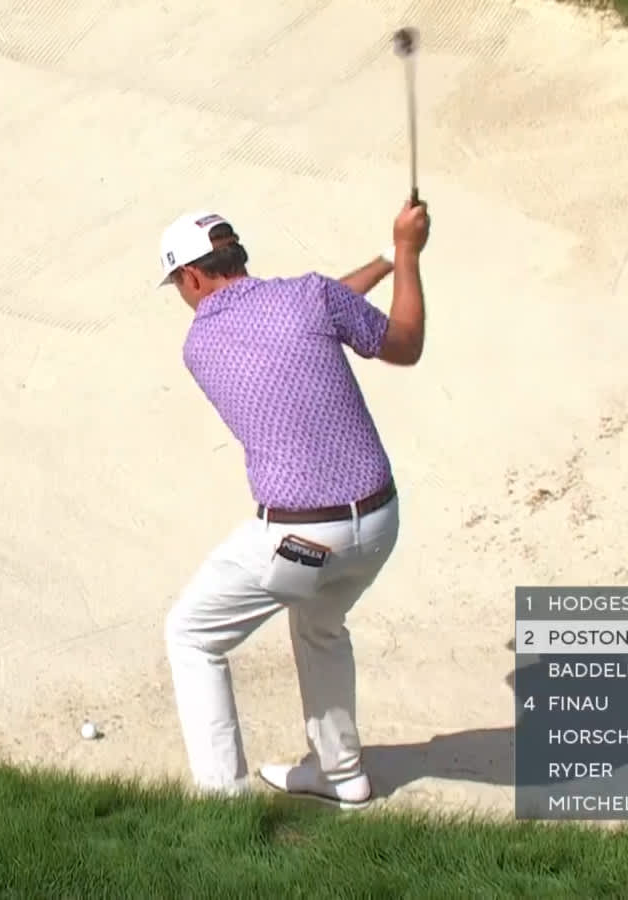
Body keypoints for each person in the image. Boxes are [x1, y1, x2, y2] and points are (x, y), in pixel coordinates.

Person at [155, 198, 431, 807]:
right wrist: (402, 254)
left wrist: (398, 255)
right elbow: (357, 322)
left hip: (299, 542)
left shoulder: (200, 344)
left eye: (176, 282)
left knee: (192, 635)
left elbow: (392, 339)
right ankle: (341, 773)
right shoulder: (309, 296)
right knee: (320, 626)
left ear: (192, 277)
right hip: (378, 525)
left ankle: (223, 805)